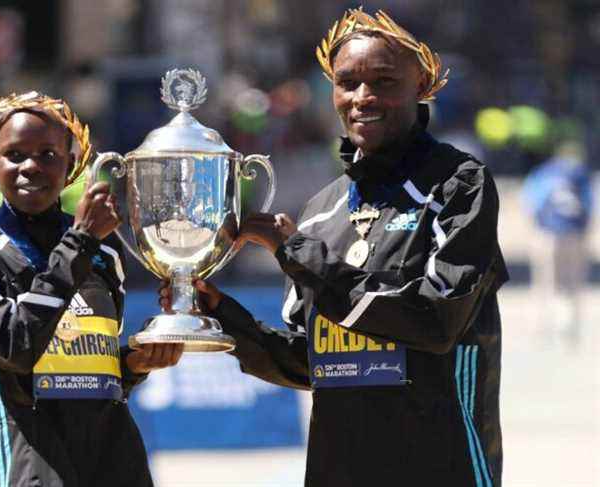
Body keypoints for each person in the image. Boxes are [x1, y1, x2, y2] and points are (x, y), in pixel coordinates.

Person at [162, 8, 508, 486]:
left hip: (439, 465)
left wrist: (297, 253)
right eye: (348, 82)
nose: (364, 97)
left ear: (421, 86)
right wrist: (222, 313)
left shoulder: (457, 184)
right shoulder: (322, 211)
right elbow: (311, 360)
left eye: (384, 81)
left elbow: (435, 320)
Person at [0, 92, 183, 487]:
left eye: (48, 154)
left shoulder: (105, 247)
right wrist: (79, 242)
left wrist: (134, 365)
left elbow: (93, 370)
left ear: (72, 165)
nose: (30, 166)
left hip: (114, 459)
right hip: (30, 459)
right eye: (14, 155)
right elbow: (14, 348)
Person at [522, 140, 593, 343]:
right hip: (574, 234)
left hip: (547, 233)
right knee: (571, 284)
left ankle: (541, 327)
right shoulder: (580, 174)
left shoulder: (542, 172)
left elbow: (532, 203)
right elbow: (589, 205)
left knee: (544, 282)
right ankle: (568, 328)